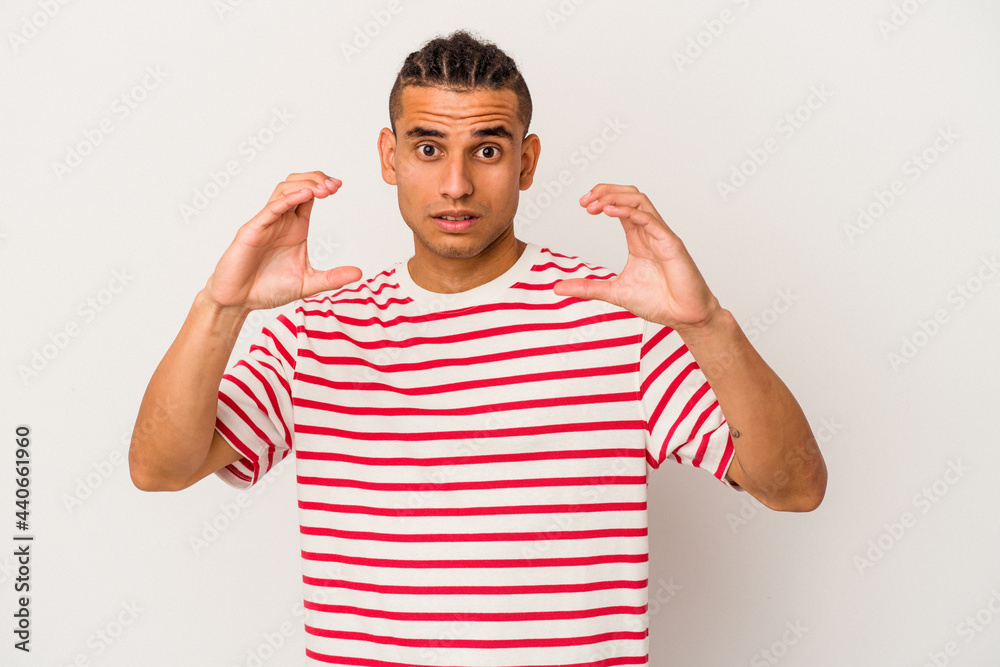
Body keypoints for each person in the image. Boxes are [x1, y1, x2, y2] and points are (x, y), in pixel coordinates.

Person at [130, 30, 826, 666]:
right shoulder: (318, 331)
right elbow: (160, 468)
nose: (456, 183)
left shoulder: (618, 319)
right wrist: (220, 307)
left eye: (486, 151)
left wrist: (707, 325)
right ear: (389, 156)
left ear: (526, 162)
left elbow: (794, 486)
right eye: (429, 148)